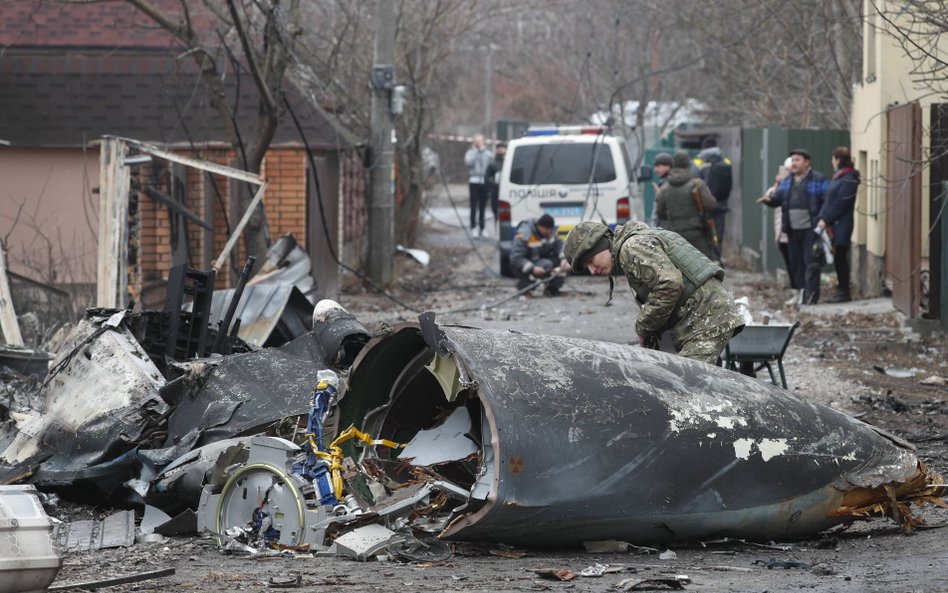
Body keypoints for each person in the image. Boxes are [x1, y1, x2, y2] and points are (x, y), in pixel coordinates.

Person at [563, 220, 744, 364]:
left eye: (590, 261)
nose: (592, 270)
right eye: (587, 267)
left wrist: (643, 327)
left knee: (689, 389)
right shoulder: (635, 243)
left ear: (602, 245)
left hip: (707, 318)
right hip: (702, 316)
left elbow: (669, 284)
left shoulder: (631, 248)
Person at [757, 149, 828, 305]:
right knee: (796, 264)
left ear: (806, 162)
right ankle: (801, 294)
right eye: (792, 160)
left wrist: (823, 220)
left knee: (811, 263)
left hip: (811, 229)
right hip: (792, 230)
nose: (794, 163)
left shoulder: (817, 178)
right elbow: (778, 199)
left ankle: (810, 298)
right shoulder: (788, 181)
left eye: (797, 160)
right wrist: (768, 200)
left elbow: (826, 201)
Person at [654, 150, 717, 259]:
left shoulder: (664, 189)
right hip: (696, 234)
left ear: (673, 165)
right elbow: (711, 205)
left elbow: (660, 213)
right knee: (706, 267)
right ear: (688, 164)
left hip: (674, 236)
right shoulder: (697, 184)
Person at [818, 147, 860, 303]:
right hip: (834, 223)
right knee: (837, 258)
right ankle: (841, 290)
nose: (832, 162)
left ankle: (844, 291)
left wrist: (826, 219)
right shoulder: (839, 177)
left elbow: (840, 203)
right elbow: (829, 200)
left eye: (833, 159)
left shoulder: (849, 178)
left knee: (841, 257)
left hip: (842, 223)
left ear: (838, 160)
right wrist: (822, 217)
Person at [510, 214, 569, 296]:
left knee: (561, 264)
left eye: (550, 229)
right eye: (546, 229)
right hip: (527, 263)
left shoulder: (550, 233)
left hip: (542, 261)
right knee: (543, 266)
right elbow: (516, 258)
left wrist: (564, 259)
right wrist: (532, 268)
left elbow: (559, 245)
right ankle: (524, 288)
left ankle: (552, 289)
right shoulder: (525, 233)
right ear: (539, 226)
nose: (548, 232)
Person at [693, 138, 733, 258]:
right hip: (721, 205)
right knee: (717, 236)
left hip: (703, 207)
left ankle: (705, 262)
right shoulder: (726, 161)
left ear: (703, 148)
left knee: (704, 236)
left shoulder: (698, 162)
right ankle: (717, 259)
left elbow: (693, 182)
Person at [464, 134, 493, 238]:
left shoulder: (488, 154)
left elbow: (491, 166)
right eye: (476, 141)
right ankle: (473, 227)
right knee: (473, 206)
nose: (478, 143)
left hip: (484, 182)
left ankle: (482, 227)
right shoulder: (470, 153)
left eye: (480, 141)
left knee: (482, 206)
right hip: (474, 181)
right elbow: (468, 163)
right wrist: (476, 153)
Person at [484, 142, 506, 224]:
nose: (500, 149)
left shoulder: (509, 162)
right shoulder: (492, 163)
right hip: (495, 192)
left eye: (502, 147)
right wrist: (495, 185)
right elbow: (486, 177)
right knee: (496, 213)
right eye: (499, 148)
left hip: (507, 191)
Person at [650, 152, 673, 227]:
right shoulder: (663, 181)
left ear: (668, 166)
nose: (655, 170)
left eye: (658, 166)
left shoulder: (671, 182)